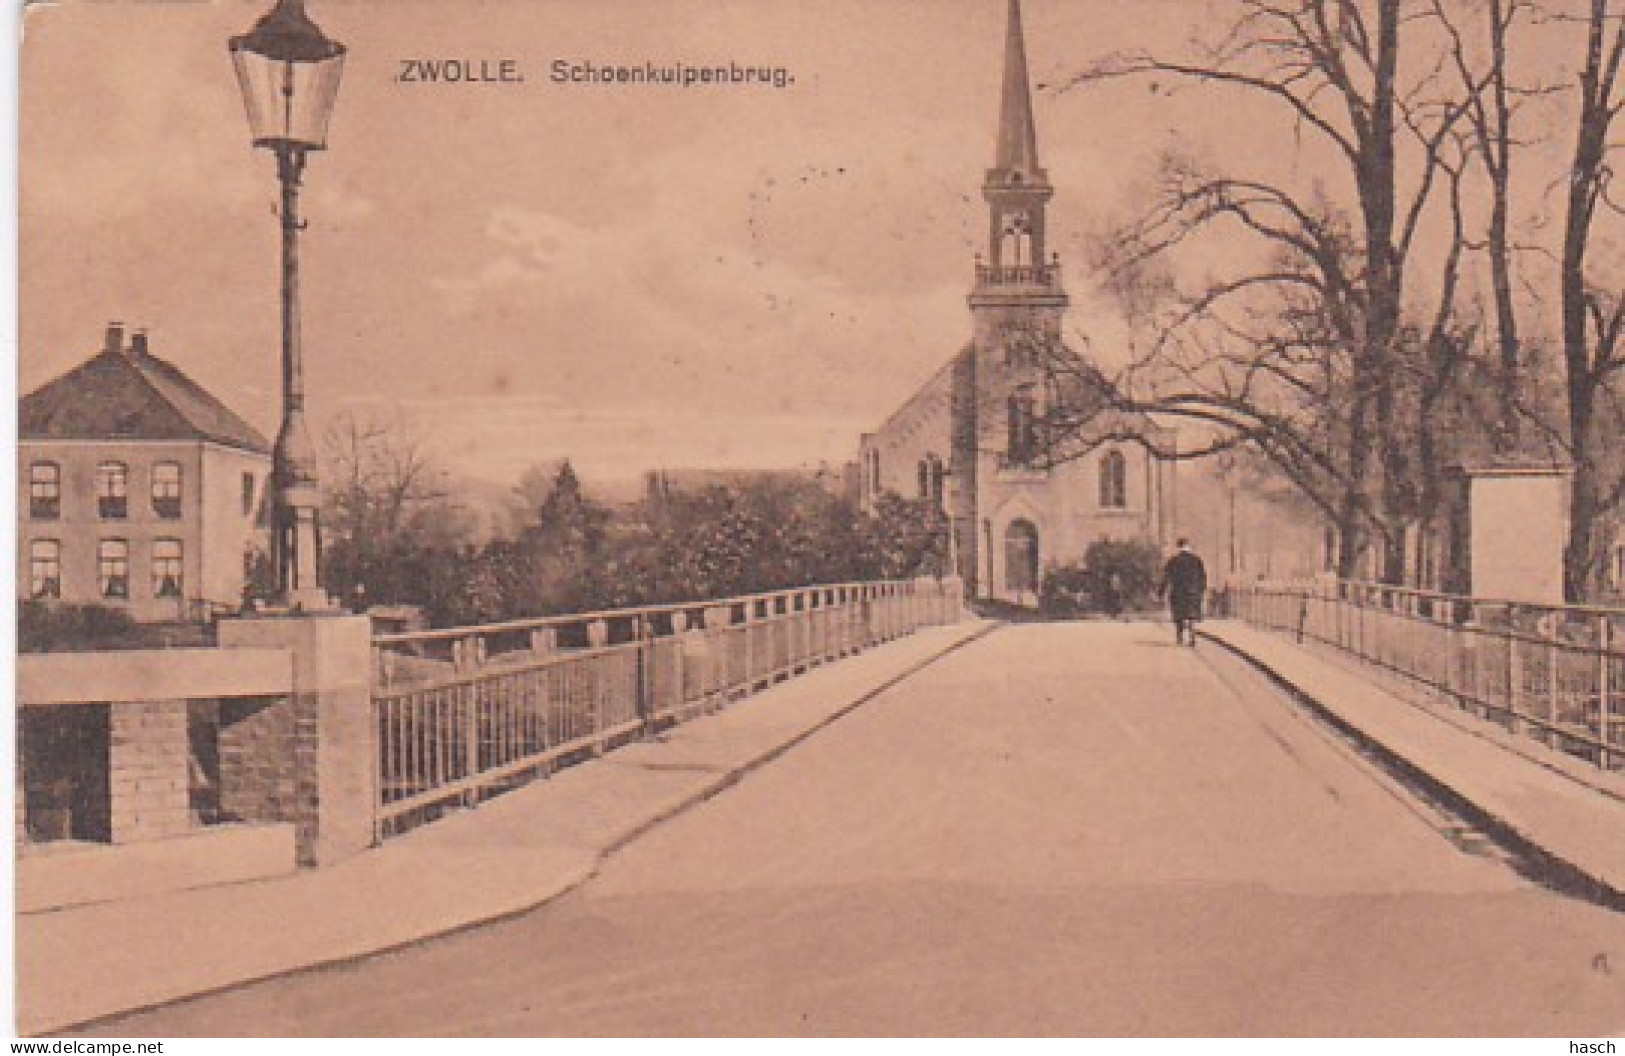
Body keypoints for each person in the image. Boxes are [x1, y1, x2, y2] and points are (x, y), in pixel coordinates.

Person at [1158, 538, 1208, 646]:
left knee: (1179, 615)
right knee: (1192, 615)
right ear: (1189, 546)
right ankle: (1192, 635)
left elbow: (1166, 577)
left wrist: (1161, 592)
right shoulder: (1197, 560)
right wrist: (1201, 590)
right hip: (1193, 591)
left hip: (1178, 592)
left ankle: (1179, 636)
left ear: (1178, 547)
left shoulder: (1174, 560)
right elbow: (1203, 577)